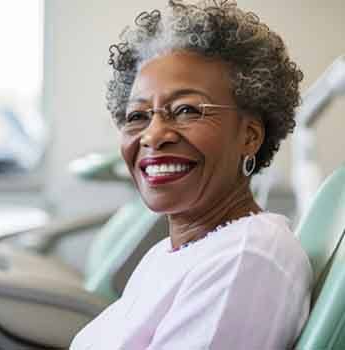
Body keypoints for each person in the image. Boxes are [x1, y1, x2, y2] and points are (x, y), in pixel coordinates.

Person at [71, 1, 312, 349]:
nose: (152, 135)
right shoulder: (167, 254)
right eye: (137, 116)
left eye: (186, 109)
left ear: (250, 135)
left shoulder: (245, 259)